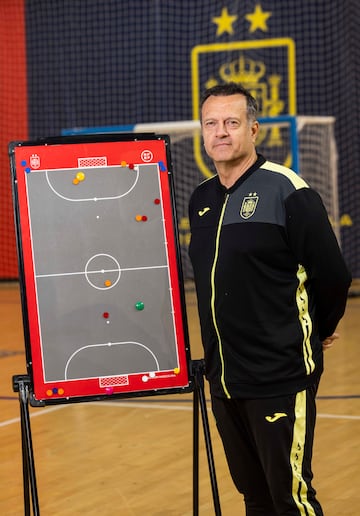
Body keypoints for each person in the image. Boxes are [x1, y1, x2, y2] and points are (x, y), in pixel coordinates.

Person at [188, 82, 352, 515]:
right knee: (255, 497)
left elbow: (333, 275)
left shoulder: (288, 190)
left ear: (254, 129)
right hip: (224, 379)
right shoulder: (201, 199)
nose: (220, 132)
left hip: (279, 375)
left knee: (290, 497)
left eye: (231, 122)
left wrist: (317, 330)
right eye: (211, 123)